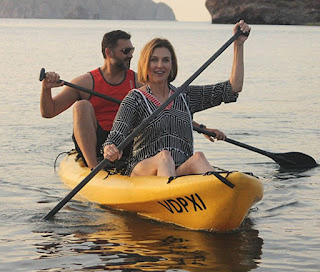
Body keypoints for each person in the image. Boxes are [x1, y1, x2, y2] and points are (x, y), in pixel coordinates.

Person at [103, 20, 250, 177]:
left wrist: (238, 45)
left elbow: (233, 88)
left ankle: (220, 193)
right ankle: (169, 194)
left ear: (172, 64)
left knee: (198, 157)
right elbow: (115, 137)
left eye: (166, 60)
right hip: (143, 174)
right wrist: (110, 148)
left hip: (178, 173)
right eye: (154, 60)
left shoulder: (185, 95)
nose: (160, 65)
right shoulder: (135, 98)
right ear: (146, 63)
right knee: (164, 158)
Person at [40, 30, 141, 169]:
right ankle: (94, 167)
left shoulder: (138, 82)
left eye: (132, 50)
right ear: (109, 53)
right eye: (125, 51)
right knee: (81, 106)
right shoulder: (86, 83)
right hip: (96, 142)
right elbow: (48, 112)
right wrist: (46, 89)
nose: (130, 55)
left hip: (126, 140)